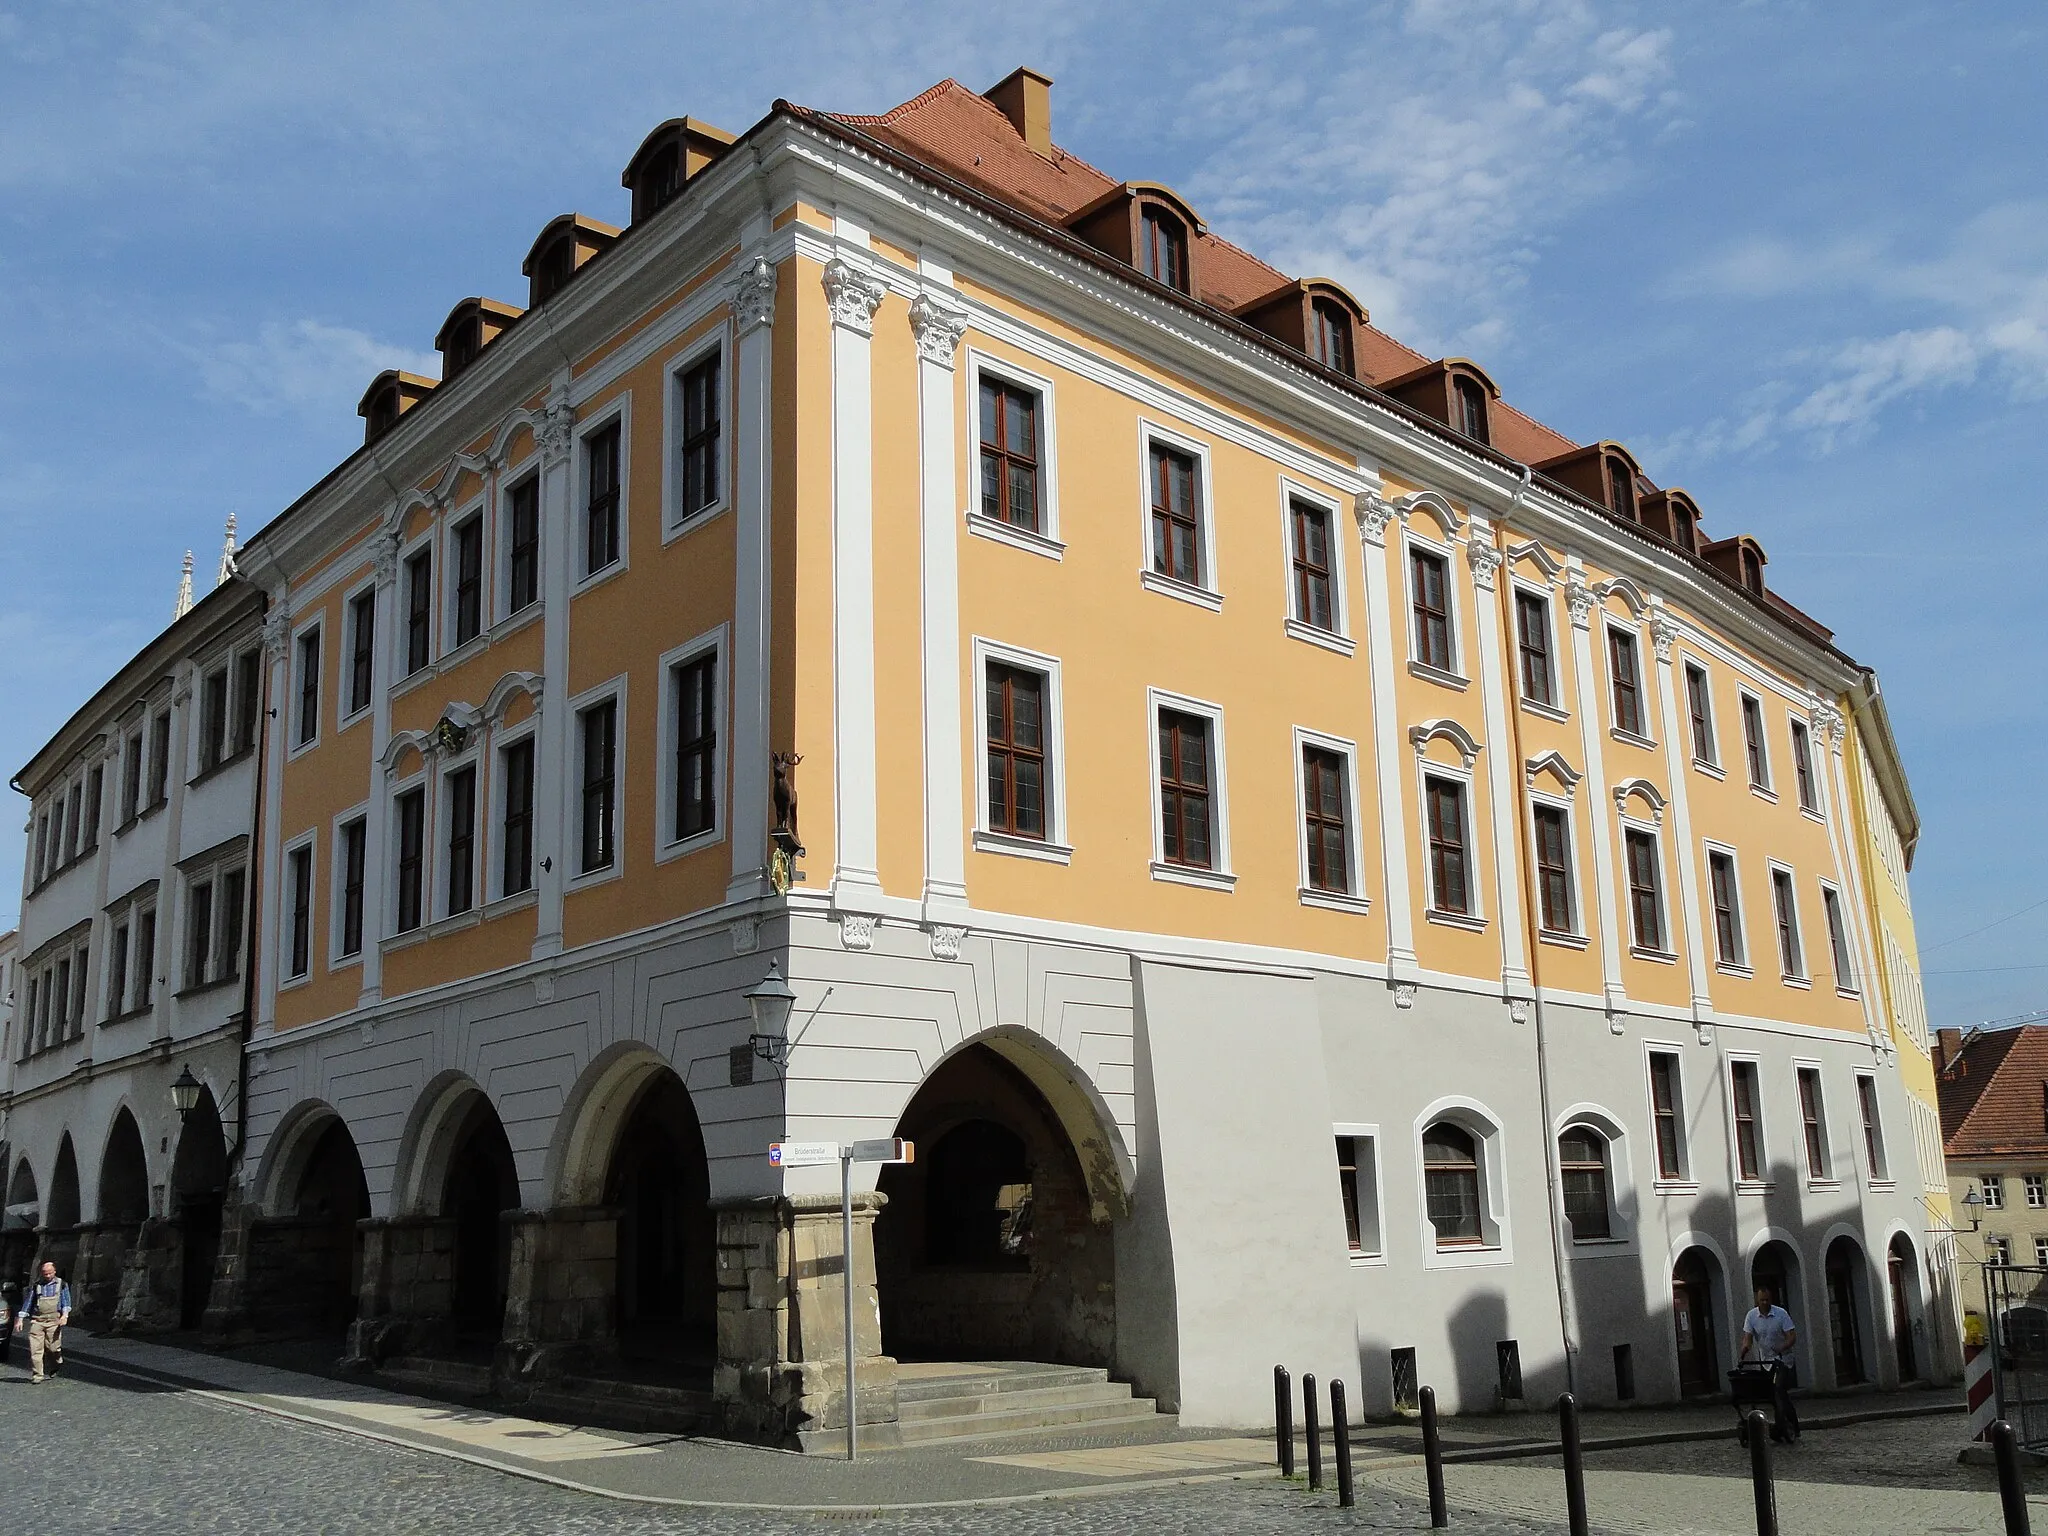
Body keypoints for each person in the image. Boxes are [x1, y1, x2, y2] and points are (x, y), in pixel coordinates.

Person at [1739, 1283, 1799, 1441]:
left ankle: (1788, 1425)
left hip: (1783, 1361)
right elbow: (1748, 1337)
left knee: (1779, 1390)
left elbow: (1792, 1336)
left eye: (1767, 1300)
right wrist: (1745, 1350)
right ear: (1757, 1300)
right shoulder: (1751, 1316)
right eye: (1761, 1300)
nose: (1764, 1303)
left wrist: (1782, 1347)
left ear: (1771, 1300)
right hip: (1766, 1362)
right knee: (1773, 1395)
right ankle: (1783, 1424)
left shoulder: (1781, 1314)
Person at [17, 1261, 70, 1385]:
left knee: (53, 1348)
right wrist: (20, 1319)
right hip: (38, 1320)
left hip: (54, 1321)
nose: (47, 1276)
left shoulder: (62, 1284)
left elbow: (66, 1302)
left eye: (49, 1273)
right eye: (45, 1274)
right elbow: (29, 1302)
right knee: (36, 1349)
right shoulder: (37, 1286)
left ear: (54, 1272)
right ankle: (37, 1375)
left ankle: (56, 1363)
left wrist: (65, 1316)